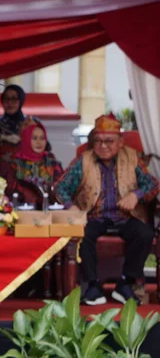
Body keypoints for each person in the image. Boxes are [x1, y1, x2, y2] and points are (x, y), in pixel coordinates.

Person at [55, 113, 159, 306]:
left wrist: (136, 195)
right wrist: (73, 207)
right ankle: (92, 286)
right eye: (98, 141)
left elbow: (153, 184)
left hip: (125, 217)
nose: (103, 146)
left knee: (144, 234)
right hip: (93, 216)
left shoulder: (132, 157)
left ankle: (126, 282)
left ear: (120, 141)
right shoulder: (83, 160)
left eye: (109, 141)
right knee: (83, 235)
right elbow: (60, 187)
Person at [12, 119, 63, 207]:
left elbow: (61, 188)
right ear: (26, 139)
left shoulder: (52, 163)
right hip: (21, 210)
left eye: (42, 138)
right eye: (34, 138)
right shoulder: (14, 163)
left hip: (49, 210)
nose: (39, 142)